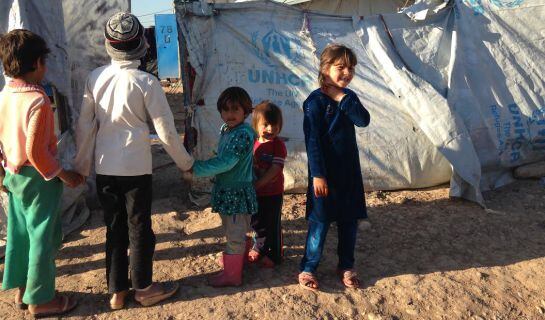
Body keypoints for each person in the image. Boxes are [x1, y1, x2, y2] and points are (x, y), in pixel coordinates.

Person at [73, 12, 194, 309]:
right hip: (136, 168)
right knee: (139, 226)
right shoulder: (147, 82)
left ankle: (116, 290)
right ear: (140, 43)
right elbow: (166, 131)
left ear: (108, 44)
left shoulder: (95, 78)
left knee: (114, 227)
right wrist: (185, 163)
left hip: (104, 166)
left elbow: (85, 127)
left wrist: (81, 168)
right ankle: (143, 287)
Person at [0, 29, 83, 317]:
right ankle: (42, 300)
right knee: (41, 239)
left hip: (13, 176)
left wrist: (3, 172)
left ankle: (23, 291)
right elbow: (37, 153)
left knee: (20, 235)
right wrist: (65, 175)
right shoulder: (38, 100)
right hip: (39, 181)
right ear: (36, 63)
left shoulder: (5, 95)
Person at [298, 44, 371, 291]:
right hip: (324, 176)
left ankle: (346, 265)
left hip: (349, 175)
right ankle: (308, 267)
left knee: (349, 223)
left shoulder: (349, 99)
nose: (347, 73)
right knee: (320, 224)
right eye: (340, 67)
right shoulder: (314, 102)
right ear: (325, 68)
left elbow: (363, 120)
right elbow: (313, 142)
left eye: (351, 68)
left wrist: (341, 97)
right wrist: (317, 174)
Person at [189, 86, 257, 287]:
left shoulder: (243, 134)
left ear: (245, 111)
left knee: (235, 232)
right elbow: (222, 156)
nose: (230, 114)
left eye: (236, 109)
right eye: (226, 110)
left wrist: (197, 169)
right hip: (227, 190)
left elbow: (227, 162)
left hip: (236, 193)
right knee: (232, 229)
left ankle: (233, 275)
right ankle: (238, 259)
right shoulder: (227, 130)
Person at [248, 101, 287, 268]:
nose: (270, 129)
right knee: (257, 222)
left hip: (272, 192)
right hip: (255, 192)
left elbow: (275, 169)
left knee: (272, 224)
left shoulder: (278, 145)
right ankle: (260, 247)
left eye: (275, 125)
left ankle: (275, 254)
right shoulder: (253, 143)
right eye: (266, 124)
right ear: (256, 125)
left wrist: (258, 185)